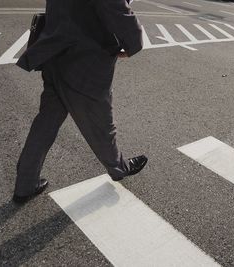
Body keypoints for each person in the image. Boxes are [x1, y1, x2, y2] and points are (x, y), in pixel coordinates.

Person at [13, 0, 148, 204]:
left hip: (56, 49)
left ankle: (25, 182)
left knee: (47, 120)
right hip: (85, 58)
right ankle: (119, 168)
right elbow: (115, 8)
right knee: (101, 121)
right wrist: (134, 43)